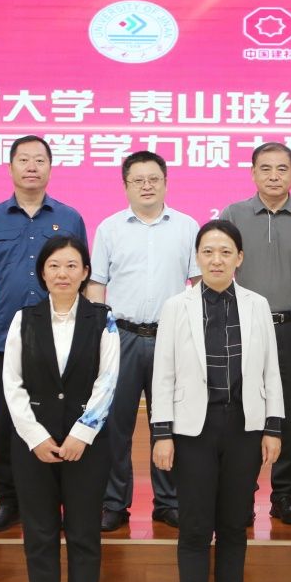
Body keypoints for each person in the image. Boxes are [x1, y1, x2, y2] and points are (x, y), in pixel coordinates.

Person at [150, 220, 284, 582]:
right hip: (193, 429)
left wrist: (273, 427)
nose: (216, 259)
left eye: (226, 251)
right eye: (208, 251)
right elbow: (163, 373)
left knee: (232, 525)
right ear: (197, 257)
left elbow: (270, 370)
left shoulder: (257, 305)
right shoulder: (177, 306)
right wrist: (162, 433)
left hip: (244, 426)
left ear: (239, 258)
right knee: (193, 527)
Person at [0, 135, 88, 533]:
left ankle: (60, 500)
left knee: (60, 417)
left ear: (50, 167)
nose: (32, 167)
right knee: (7, 421)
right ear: (11, 166)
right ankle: (9, 500)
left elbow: (81, 277)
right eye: (24, 160)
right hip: (3, 335)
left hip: (59, 339)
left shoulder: (70, 217)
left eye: (39, 160)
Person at [3, 235, 121, 582]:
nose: (63, 273)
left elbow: (108, 381)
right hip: (34, 445)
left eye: (72, 265)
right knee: (39, 534)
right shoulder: (24, 319)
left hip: (85, 446)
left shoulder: (103, 319)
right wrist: (35, 436)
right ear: (42, 272)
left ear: (86, 272)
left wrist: (81, 434)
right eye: (54, 265)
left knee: (84, 533)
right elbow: (11, 384)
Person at [221, 141, 291, 525]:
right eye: (265, 168)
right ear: (253, 173)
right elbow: (218, 267)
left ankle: (285, 495)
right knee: (243, 411)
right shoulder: (233, 214)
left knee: (290, 415)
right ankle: (242, 493)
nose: (273, 176)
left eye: (282, 169)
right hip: (243, 326)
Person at [88, 151, 199, 532]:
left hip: (171, 337)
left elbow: (198, 284)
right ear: (126, 186)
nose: (147, 186)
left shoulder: (186, 227)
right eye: (138, 180)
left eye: (154, 179)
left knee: (168, 423)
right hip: (122, 336)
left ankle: (168, 501)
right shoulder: (109, 229)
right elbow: (97, 284)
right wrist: (98, 335)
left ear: (166, 183)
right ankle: (114, 503)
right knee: (114, 425)